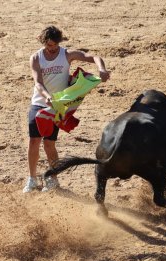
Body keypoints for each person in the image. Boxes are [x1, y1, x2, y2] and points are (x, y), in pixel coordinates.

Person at [23, 26, 110, 193]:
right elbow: (38, 83)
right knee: (34, 141)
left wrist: (102, 69)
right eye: (49, 46)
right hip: (40, 102)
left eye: (55, 46)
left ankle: (52, 179)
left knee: (49, 143)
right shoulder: (36, 58)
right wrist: (47, 97)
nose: (52, 49)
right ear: (43, 42)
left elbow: (93, 57)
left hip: (57, 106)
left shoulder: (66, 54)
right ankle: (32, 179)